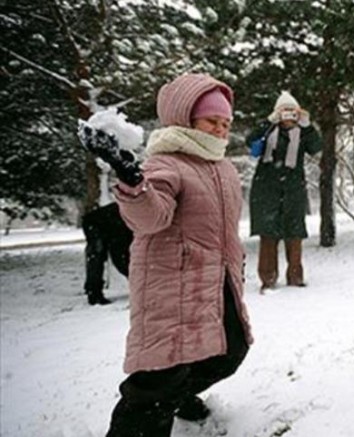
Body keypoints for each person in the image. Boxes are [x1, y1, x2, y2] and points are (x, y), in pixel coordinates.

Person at [78, 73, 254, 436]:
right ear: (185, 119)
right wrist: (131, 179)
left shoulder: (223, 169)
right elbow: (150, 218)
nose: (220, 130)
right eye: (211, 121)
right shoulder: (166, 163)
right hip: (171, 287)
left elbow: (225, 229)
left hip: (216, 282)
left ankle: (176, 398)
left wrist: (236, 264)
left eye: (225, 123)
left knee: (229, 352)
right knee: (158, 380)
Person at [246, 91, 323, 290]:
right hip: (266, 189)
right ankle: (268, 279)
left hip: (293, 189)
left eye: (292, 112)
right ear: (277, 113)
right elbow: (250, 141)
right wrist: (267, 122)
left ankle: (295, 277)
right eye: (284, 112)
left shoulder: (302, 133)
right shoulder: (268, 130)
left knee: (294, 233)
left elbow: (316, 148)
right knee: (268, 234)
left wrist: (308, 125)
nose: (288, 117)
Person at [81, 202, 133, 305]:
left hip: (101, 222)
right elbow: (120, 258)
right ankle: (94, 293)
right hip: (98, 224)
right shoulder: (127, 223)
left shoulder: (130, 217)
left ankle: (92, 290)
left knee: (96, 257)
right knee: (97, 256)